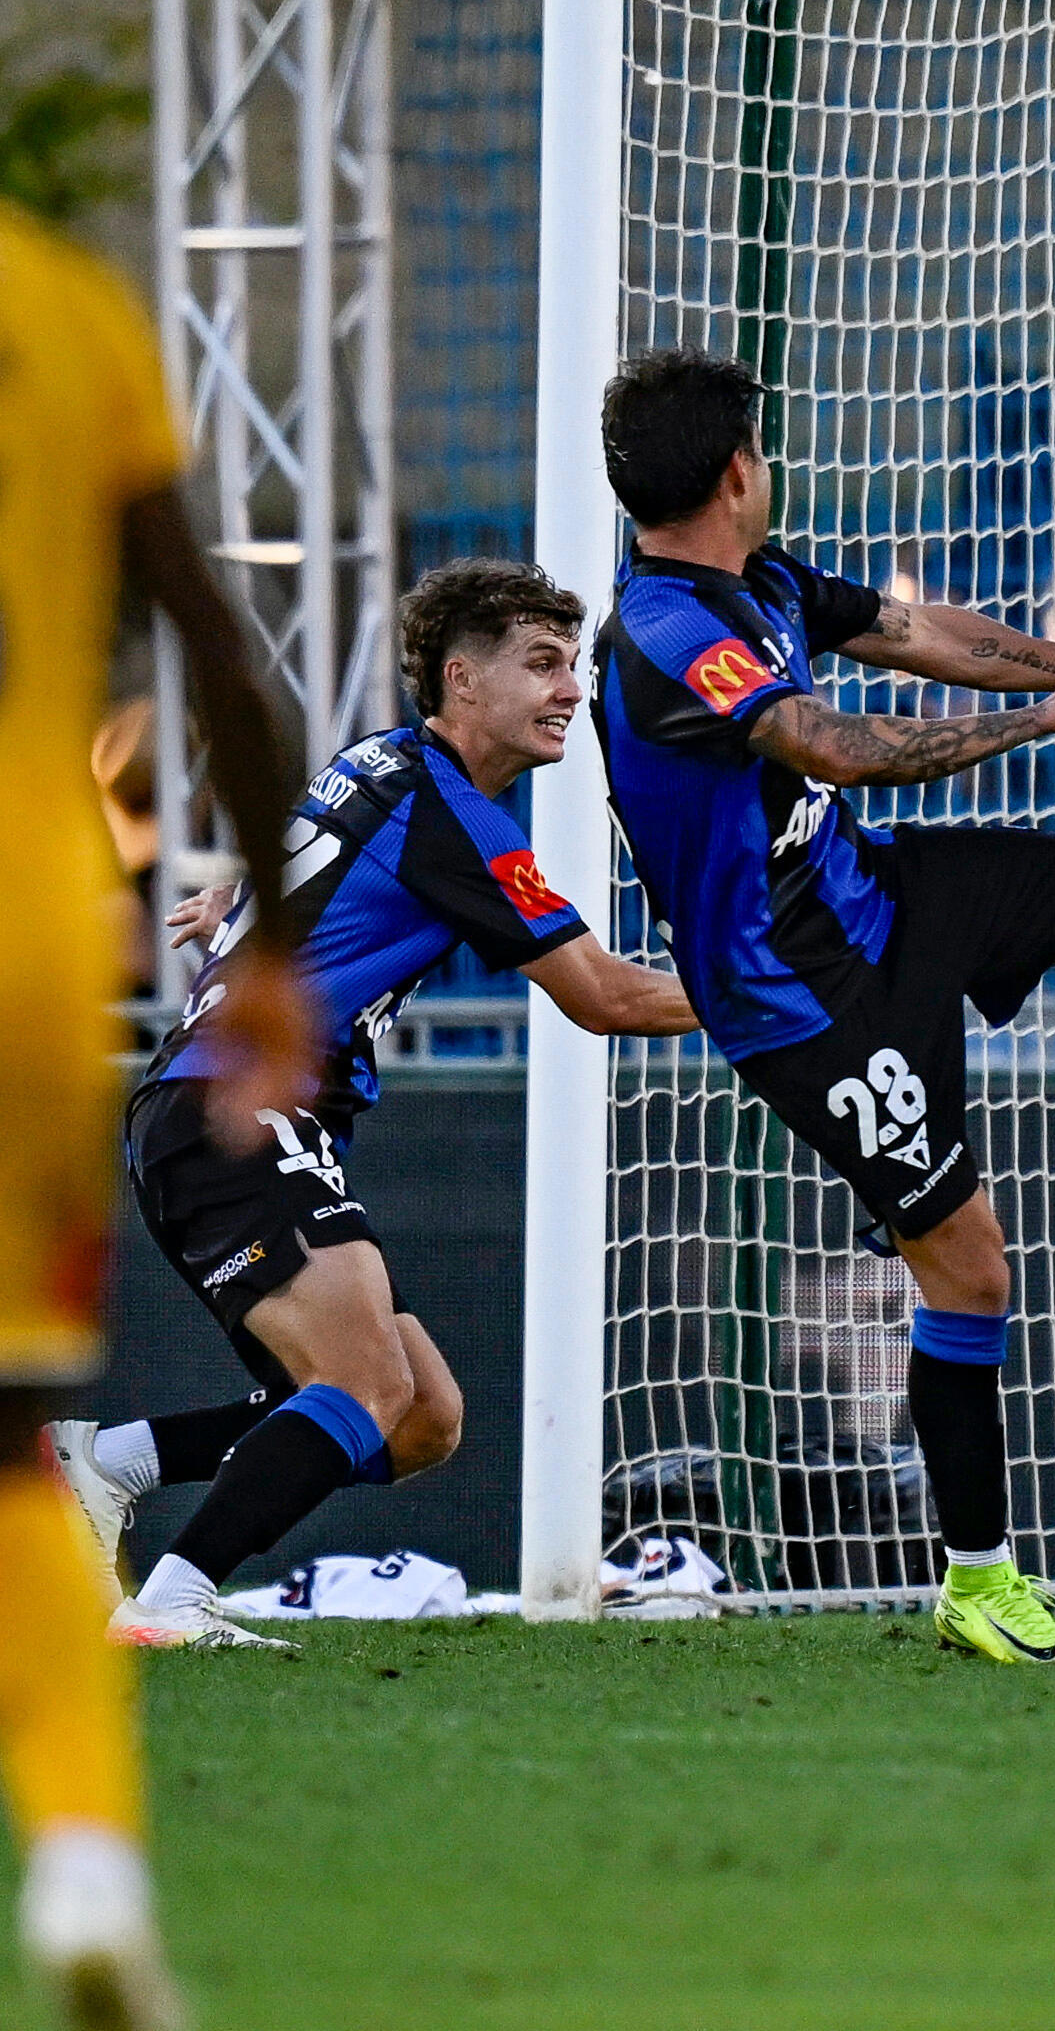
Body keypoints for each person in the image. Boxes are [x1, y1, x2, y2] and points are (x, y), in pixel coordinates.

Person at [594, 347, 1055, 1665]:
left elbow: (916, 633)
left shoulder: (764, 580)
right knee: (969, 1266)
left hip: (879, 899)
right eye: (764, 450)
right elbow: (828, 745)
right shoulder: (669, 633)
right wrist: (1046, 723)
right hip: (802, 997)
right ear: (739, 470)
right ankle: (977, 1581)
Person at [62, 565, 701, 1651]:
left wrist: (238, 911)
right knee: (363, 1381)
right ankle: (169, 1602)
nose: (566, 691)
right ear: (462, 677)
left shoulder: (382, 769)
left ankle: (106, 1459)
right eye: (540, 664)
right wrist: (796, 999)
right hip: (237, 1110)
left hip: (213, 1112)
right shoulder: (453, 814)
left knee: (419, 1417)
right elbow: (605, 996)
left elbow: (310, 875)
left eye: (572, 666)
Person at [0, 201, 308, 2029]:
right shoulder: (66, 307)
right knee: (9, 1431)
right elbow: (218, 643)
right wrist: (269, 937)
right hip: (31, 933)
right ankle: (92, 1868)